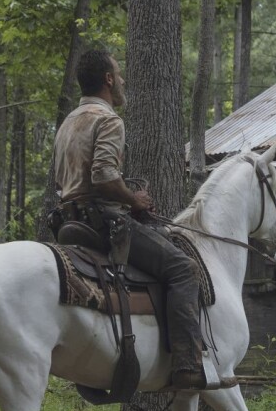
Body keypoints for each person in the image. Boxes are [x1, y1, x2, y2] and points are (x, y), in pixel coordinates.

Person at [51, 47, 209, 390]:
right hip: (103, 222)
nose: (121, 80)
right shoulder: (107, 119)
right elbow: (105, 176)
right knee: (184, 269)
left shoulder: (67, 123)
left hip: (69, 222)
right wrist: (134, 199)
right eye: (118, 74)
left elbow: (62, 182)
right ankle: (186, 364)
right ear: (108, 80)